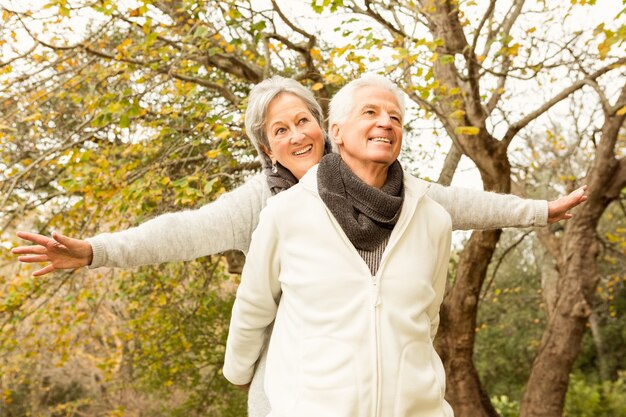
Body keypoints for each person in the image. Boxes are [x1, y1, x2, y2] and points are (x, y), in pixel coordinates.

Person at [11, 76, 587, 416]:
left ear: (326, 125)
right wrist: (94, 250)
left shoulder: (381, 180)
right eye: (279, 130)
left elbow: (456, 204)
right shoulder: (264, 203)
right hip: (295, 383)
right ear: (266, 146)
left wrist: (539, 210)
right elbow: (179, 232)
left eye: (303, 120)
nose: (297, 136)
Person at [224, 74, 452, 416]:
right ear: (337, 132)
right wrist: (240, 372)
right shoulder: (285, 213)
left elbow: (427, 319)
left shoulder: (433, 220)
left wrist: (539, 210)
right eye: (370, 112)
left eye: (395, 117)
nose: (385, 123)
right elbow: (253, 306)